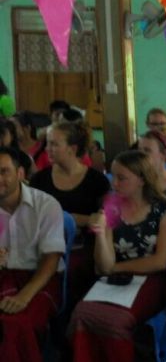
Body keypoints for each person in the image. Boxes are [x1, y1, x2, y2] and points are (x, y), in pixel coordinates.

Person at [68, 150, 166, 362]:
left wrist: (116, 268)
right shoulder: (111, 205)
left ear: (141, 179)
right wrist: (102, 231)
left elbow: (160, 261)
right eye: (113, 177)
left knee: (117, 321)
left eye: (121, 178)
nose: (114, 183)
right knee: (83, 313)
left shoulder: (164, 209)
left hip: (151, 279)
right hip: (115, 279)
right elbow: (103, 265)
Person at [0, 147, 65, 362]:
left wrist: (25, 295)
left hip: (41, 279)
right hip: (4, 276)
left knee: (15, 325)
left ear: (20, 173)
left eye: (4, 172)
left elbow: (52, 258)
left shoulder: (45, 205)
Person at [30, 121, 110, 300]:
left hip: (85, 247)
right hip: (46, 246)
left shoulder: (96, 181)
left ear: (72, 149)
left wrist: (76, 220)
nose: (47, 149)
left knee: (76, 269)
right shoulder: (39, 180)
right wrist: (75, 218)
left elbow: (104, 220)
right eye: (47, 143)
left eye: (54, 144)